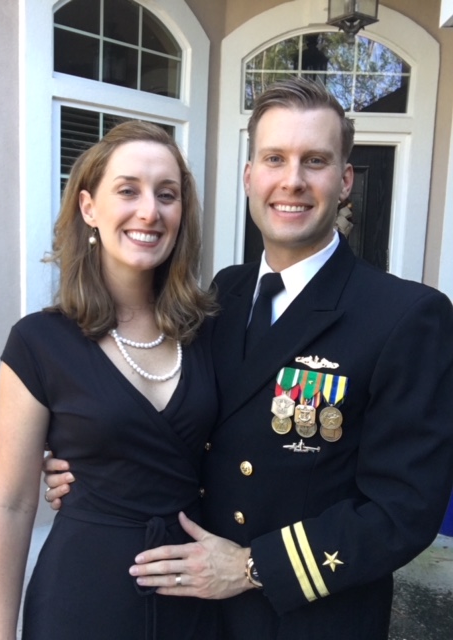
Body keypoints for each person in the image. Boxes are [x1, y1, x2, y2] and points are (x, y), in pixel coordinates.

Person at [44, 79, 453, 639]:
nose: (292, 180)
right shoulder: (224, 295)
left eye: (315, 161)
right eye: (274, 158)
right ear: (249, 176)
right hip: (197, 614)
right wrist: (96, 466)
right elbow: (183, 424)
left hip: (310, 621)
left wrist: (251, 566)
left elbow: (403, 509)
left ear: (345, 181)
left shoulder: (405, 316)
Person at [0, 120, 221, 640]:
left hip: (197, 600)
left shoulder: (210, 333)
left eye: (167, 195)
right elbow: (13, 503)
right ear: (89, 207)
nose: (149, 211)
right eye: (128, 191)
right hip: (80, 600)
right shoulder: (38, 343)